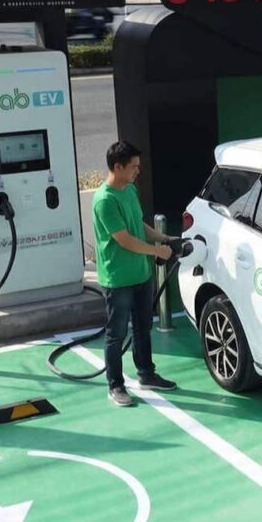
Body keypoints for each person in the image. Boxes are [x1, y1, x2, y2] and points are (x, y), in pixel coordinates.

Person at [93, 141, 177, 406]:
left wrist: (164, 238)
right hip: (118, 279)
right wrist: (157, 252)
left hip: (140, 276)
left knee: (143, 328)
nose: (137, 172)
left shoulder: (128, 190)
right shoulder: (105, 200)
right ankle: (115, 385)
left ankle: (146, 374)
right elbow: (124, 239)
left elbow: (138, 226)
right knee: (116, 333)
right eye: (133, 167)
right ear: (117, 167)